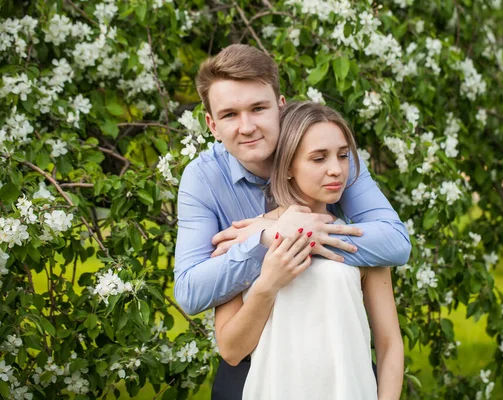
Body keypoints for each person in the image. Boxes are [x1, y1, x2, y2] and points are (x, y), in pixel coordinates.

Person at [174, 44, 411, 398]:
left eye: (258, 108)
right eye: (229, 115)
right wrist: (266, 236)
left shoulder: (332, 159)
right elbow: (192, 293)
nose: (247, 126)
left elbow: (394, 242)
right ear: (212, 124)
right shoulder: (203, 180)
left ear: (280, 107)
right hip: (255, 371)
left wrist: (303, 234)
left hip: (341, 373)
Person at [214, 101, 404, 400]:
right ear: (288, 166)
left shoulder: (360, 242)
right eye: (318, 159)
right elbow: (232, 351)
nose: (336, 170)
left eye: (342, 156)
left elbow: (390, 343)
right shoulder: (247, 240)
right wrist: (268, 284)